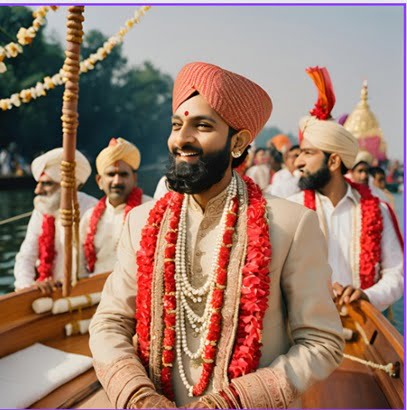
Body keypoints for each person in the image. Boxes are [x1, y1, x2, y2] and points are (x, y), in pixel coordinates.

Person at [89, 62, 343, 409]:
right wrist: (137, 395)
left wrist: (235, 401)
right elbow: (109, 322)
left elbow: (321, 341)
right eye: (177, 125)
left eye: (202, 125)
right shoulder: (141, 221)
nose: (181, 139)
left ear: (237, 142)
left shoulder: (291, 224)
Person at [288, 66, 403, 313]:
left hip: (363, 326)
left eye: (308, 153)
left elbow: (397, 273)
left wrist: (366, 295)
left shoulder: (377, 210)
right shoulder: (291, 209)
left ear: (333, 161)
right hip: (304, 327)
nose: (298, 162)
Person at [14, 148, 97, 292]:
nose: (37, 190)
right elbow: (26, 256)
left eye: (46, 183)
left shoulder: (92, 210)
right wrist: (27, 286)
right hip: (49, 293)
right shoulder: (42, 210)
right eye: (39, 183)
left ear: (67, 184)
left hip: (87, 293)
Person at [80, 138, 152, 276]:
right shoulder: (89, 217)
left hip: (135, 289)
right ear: (99, 181)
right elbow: (80, 267)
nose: (117, 181)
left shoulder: (150, 210)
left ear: (135, 179)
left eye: (123, 175)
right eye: (111, 174)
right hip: (94, 290)